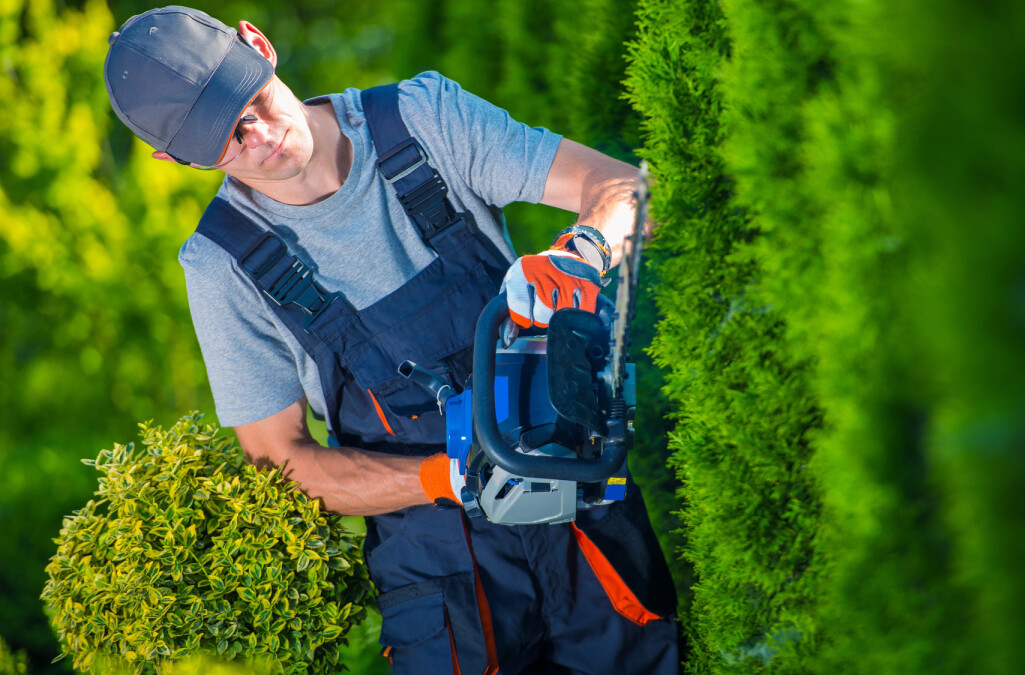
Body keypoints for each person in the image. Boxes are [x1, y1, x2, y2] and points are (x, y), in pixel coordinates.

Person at [103, 5, 679, 674]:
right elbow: (283, 466)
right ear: (174, 158)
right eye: (228, 138)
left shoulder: (420, 120)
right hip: (440, 576)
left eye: (250, 99)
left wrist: (583, 252)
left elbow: (627, 190)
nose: (259, 135)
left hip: (574, 499)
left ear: (258, 44)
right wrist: (448, 476)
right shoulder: (222, 264)